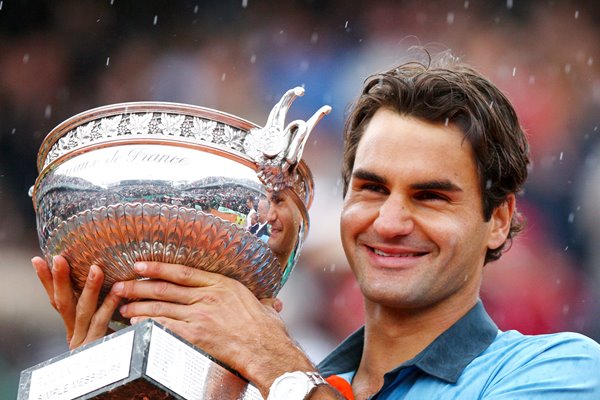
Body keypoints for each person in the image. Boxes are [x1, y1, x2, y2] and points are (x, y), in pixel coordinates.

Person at [31, 56, 600, 400]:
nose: (390, 221)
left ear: (497, 221)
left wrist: (276, 363)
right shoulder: (253, 386)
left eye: (431, 196)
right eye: (371, 188)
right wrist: (126, 378)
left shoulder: (557, 370)